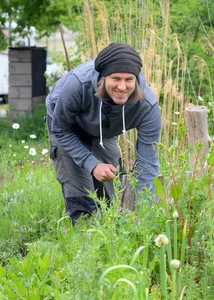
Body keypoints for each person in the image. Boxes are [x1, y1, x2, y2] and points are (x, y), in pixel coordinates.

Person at [45, 43, 161, 223]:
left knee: (108, 190)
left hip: (102, 129)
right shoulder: (77, 85)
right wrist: (92, 163)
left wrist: (145, 215)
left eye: (129, 79)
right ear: (103, 77)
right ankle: (83, 236)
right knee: (81, 194)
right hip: (66, 125)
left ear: (136, 80)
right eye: (116, 78)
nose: (122, 87)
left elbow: (148, 163)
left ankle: (108, 235)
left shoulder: (147, 106)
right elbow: (61, 129)